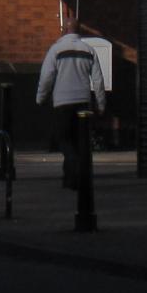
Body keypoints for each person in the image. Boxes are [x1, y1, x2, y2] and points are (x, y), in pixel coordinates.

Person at [36, 25, 108, 193]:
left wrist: (40, 97)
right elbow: (98, 81)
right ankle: (74, 178)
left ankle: (72, 172)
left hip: (62, 102)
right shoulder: (88, 50)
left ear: (63, 30)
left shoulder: (56, 50)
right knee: (80, 141)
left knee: (64, 140)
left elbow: (46, 77)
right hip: (83, 102)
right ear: (78, 31)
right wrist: (101, 104)